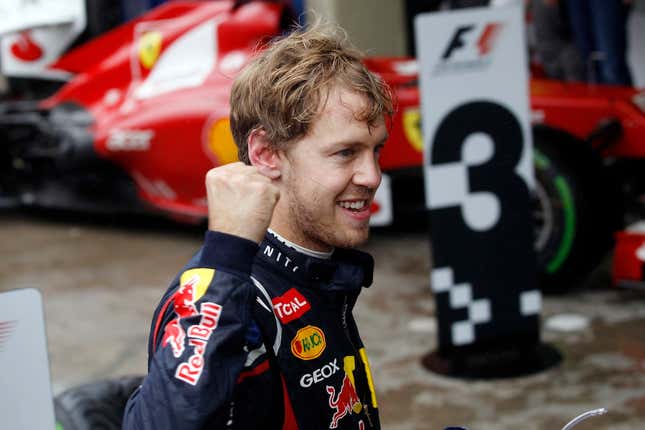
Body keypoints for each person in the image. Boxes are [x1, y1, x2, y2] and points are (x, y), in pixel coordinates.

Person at [122, 20, 393, 430]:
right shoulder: (241, 297)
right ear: (266, 154)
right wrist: (225, 255)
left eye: (375, 151)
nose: (372, 176)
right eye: (345, 153)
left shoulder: (320, 271)